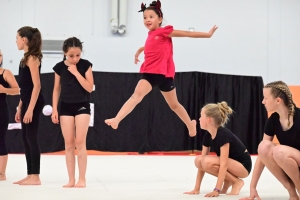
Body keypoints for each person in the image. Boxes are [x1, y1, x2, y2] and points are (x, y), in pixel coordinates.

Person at [105, 0, 218, 137]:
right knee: (136, 96)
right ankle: (117, 120)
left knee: (174, 105)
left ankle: (190, 124)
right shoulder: (150, 35)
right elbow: (150, 46)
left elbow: (187, 34)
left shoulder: (165, 31)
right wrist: (138, 52)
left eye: (151, 17)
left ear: (160, 19)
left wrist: (208, 34)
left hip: (164, 75)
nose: (147, 20)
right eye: (145, 17)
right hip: (150, 74)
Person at [241, 81, 300, 200]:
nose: (263, 101)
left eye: (266, 98)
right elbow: (262, 155)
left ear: (278, 100)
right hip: (292, 165)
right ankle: (292, 193)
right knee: (264, 146)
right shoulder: (273, 120)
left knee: (279, 151)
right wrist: (253, 187)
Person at [184, 101, 252, 197]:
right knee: (199, 160)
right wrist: (196, 188)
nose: (199, 119)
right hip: (231, 164)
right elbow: (201, 165)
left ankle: (236, 182)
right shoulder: (207, 136)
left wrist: (217, 189)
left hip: (243, 166)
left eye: (201, 116)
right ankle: (229, 181)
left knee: (206, 162)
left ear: (208, 119)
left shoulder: (223, 134)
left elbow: (223, 164)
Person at [51, 37, 94, 188]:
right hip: (65, 107)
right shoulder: (59, 67)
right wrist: (55, 109)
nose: (75, 58)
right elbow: (56, 89)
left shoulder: (85, 65)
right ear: (64, 53)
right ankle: (71, 179)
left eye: (78, 55)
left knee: (80, 142)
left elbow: (89, 87)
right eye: (71, 56)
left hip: (82, 105)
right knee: (68, 144)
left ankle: (82, 179)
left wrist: (76, 73)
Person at [14, 26, 45, 185]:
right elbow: (25, 87)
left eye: (17, 38)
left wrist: (30, 109)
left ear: (24, 40)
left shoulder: (33, 58)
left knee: (31, 137)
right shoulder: (25, 58)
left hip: (35, 102)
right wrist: (20, 106)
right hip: (27, 101)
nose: (16, 41)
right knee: (26, 138)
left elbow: (37, 86)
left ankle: (36, 176)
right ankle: (30, 174)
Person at [0, 49, 20, 181]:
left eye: (0, 55)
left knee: (0, 139)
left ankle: (1, 173)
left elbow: (17, 90)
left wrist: (4, 90)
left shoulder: (6, 73)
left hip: (1, 110)